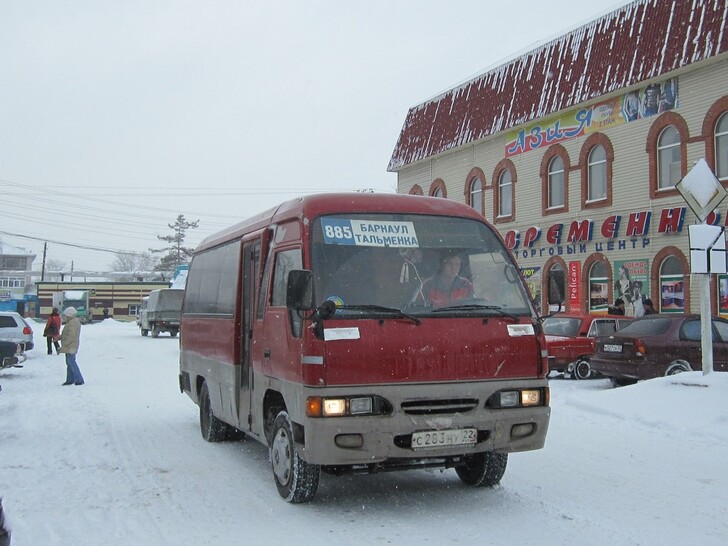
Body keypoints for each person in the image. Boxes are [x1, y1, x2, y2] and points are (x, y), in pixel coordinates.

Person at [55, 307, 84, 386]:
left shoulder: (73, 323)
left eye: (66, 315)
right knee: (69, 363)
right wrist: (60, 337)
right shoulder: (72, 322)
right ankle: (70, 379)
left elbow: (71, 335)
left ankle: (79, 379)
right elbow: (67, 334)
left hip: (71, 346)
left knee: (71, 362)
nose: (65, 317)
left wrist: (65, 343)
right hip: (70, 346)